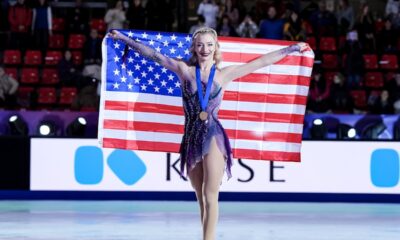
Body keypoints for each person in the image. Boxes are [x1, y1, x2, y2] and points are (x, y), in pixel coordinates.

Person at [110, 27, 307, 240]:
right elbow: (153, 55)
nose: (205, 49)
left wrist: (292, 48)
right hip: (191, 136)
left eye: (210, 45)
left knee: (210, 194)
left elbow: (260, 62)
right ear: (194, 47)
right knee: (200, 197)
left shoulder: (224, 74)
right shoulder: (184, 70)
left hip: (213, 135)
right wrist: (123, 38)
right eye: (200, 44)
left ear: (216, 48)